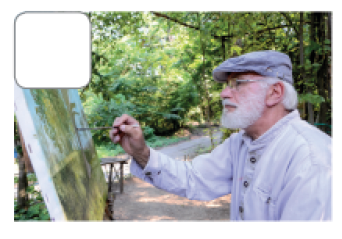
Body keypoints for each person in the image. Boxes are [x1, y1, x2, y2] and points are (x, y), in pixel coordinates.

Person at [109, 50, 331, 221]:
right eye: (226, 85)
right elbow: (193, 178)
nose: (224, 93)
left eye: (238, 84)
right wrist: (141, 153)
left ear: (274, 93)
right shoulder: (240, 143)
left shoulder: (312, 159)